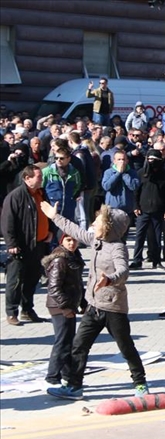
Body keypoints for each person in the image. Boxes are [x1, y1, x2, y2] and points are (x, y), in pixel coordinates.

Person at [42, 202, 149, 400]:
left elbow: (124, 271)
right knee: (79, 346)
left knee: (126, 347)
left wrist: (110, 279)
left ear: (109, 227)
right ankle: (74, 386)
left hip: (113, 307)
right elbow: (74, 229)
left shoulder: (117, 248)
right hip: (94, 306)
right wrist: (54, 217)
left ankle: (140, 383)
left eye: (98, 221)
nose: (93, 223)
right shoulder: (95, 240)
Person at [2, 165, 50, 325]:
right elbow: (7, 222)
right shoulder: (15, 196)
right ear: (27, 178)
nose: (41, 179)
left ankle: (27, 310)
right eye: (38, 177)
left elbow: (49, 213)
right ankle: (11, 312)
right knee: (15, 281)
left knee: (32, 279)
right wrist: (11, 243)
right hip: (21, 246)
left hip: (38, 245)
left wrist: (51, 230)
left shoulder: (41, 194)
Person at [42, 233, 86, 385]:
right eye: (68, 240)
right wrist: (66, 307)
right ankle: (53, 376)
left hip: (68, 304)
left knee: (68, 341)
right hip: (59, 306)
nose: (72, 243)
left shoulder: (73, 257)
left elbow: (78, 283)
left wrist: (83, 302)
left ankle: (68, 376)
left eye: (74, 240)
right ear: (62, 241)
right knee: (62, 341)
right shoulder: (60, 259)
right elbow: (54, 287)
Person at [130, 150, 165, 270]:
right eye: (149, 159)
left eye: (154, 159)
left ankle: (156, 260)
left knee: (157, 237)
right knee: (140, 236)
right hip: (142, 210)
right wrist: (136, 206)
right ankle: (137, 260)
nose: (151, 162)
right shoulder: (141, 173)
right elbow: (136, 192)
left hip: (158, 211)